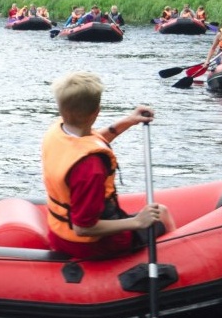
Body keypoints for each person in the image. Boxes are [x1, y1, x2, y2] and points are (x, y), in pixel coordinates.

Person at [42, 71, 173, 260]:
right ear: (97, 111)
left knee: (158, 211)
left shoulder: (58, 131)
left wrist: (128, 121)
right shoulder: (90, 168)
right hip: (89, 245)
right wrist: (137, 222)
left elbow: (92, 141)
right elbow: (83, 228)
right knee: (162, 214)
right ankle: (177, 261)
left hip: (59, 233)